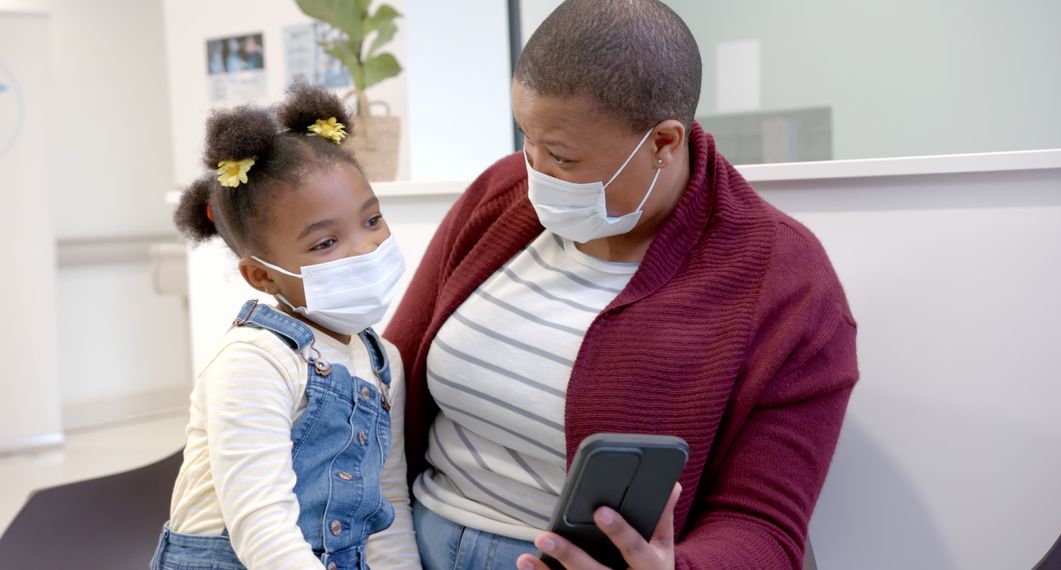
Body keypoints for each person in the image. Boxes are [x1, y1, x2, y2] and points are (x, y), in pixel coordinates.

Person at [383, 1, 859, 568]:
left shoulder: (784, 280)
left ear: (663, 142)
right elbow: (389, 382)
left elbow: (762, 525)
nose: (535, 171)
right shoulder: (500, 195)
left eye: (562, 156)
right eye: (527, 138)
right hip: (407, 541)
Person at [152, 84, 420, 569]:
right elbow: (263, 530)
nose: (364, 248)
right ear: (262, 275)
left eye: (373, 219)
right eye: (324, 243)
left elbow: (388, 507)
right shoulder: (254, 362)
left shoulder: (383, 363)